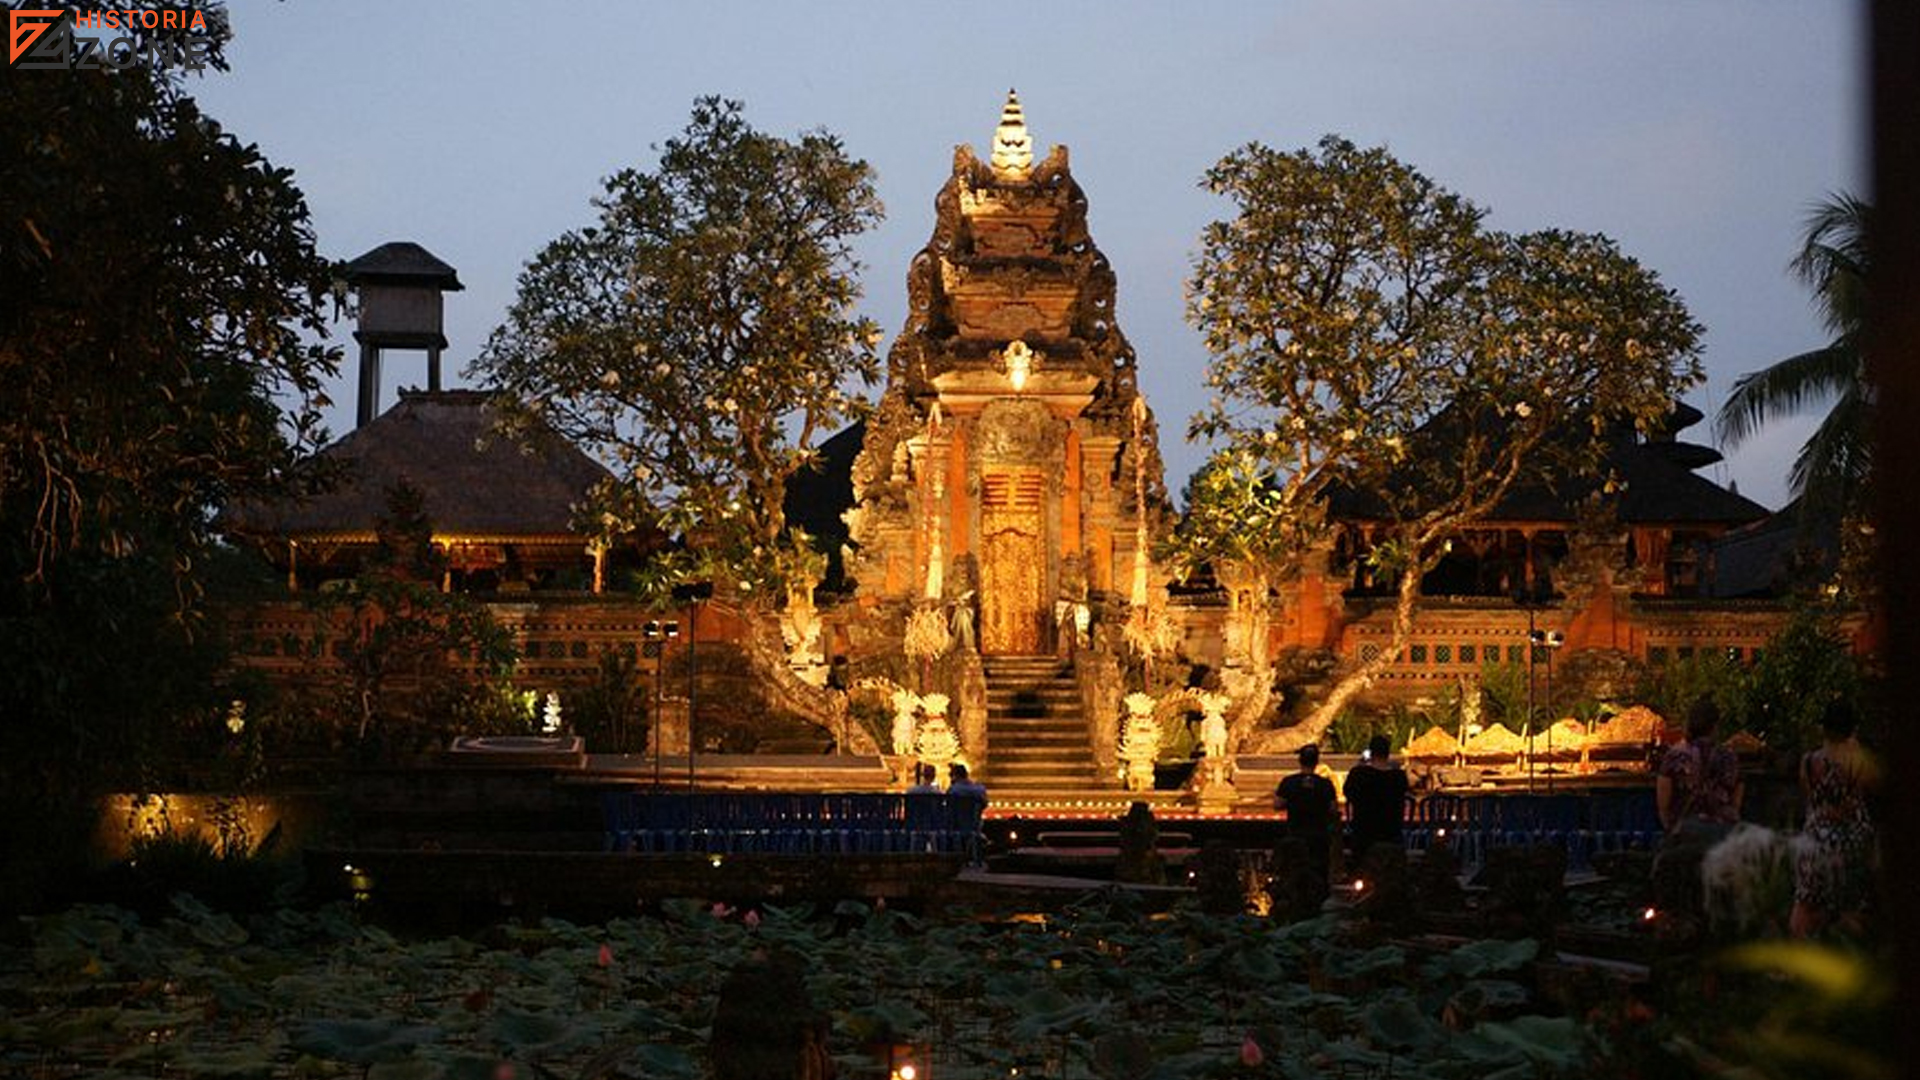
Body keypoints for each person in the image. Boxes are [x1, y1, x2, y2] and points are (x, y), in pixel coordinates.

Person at [1791, 699, 1877, 937]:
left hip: (1817, 838)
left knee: (1805, 904)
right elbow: (1866, 791)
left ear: (1824, 728)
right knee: (1853, 904)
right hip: (1853, 836)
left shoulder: (1809, 761)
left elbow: (1812, 800)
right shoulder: (1859, 760)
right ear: (1852, 729)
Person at [1656, 698, 1743, 840]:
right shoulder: (1730, 756)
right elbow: (1736, 802)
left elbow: (1663, 805)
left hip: (1684, 832)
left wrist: (1672, 830)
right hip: (1723, 834)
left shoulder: (1674, 756)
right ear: (1715, 726)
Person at [1274, 744, 1337, 900]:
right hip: (1319, 836)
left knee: (1295, 870)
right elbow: (1333, 809)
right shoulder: (1326, 784)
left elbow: (1277, 805)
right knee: (1319, 871)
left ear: (1299, 761)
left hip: (1296, 834)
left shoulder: (1289, 782)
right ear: (1317, 762)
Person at [1344, 734, 1410, 862]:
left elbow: (1348, 794)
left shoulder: (1358, 774)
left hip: (1363, 834)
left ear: (1371, 752)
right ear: (1388, 752)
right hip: (1391, 834)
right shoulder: (1398, 776)